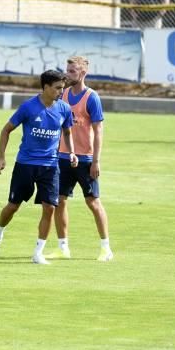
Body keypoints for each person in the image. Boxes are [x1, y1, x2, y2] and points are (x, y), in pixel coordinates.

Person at [0, 70, 77, 265]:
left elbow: (67, 132)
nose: (61, 92)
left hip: (51, 166)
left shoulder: (64, 109)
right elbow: (6, 130)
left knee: (50, 207)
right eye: (57, 88)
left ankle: (38, 253)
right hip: (26, 164)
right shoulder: (28, 107)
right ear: (45, 87)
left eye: (63, 88)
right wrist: (1, 157)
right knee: (13, 207)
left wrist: (71, 152)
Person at [48, 56, 114, 262]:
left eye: (72, 71)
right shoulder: (63, 94)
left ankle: (106, 248)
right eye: (67, 70)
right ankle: (62, 247)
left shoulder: (92, 97)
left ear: (83, 73)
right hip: (62, 157)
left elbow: (99, 129)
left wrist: (96, 160)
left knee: (93, 202)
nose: (68, 74)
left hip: (85, 159)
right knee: (59, 202)